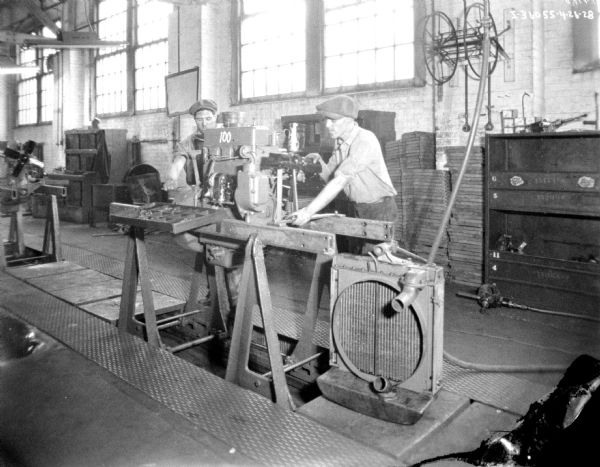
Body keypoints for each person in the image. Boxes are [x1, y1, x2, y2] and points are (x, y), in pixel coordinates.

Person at [291, 95, 397, 228]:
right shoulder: (340, 142)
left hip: (379, 210)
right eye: (326, 120)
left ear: (349, 120)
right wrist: (318, 163)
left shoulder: (364, 140)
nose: (328, 125)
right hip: (357, 208)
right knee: (355, 249)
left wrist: (308, 211)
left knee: (374, 249)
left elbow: (341, 180)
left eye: (333, 120)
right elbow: (330, 177)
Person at [163, 98, 218, 193]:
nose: (204, 124)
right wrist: (171, 179)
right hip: (197, 192)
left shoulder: (227, 138)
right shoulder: (186, 144)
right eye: (199, 119)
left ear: (215, 117)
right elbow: (177, 164)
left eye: (208, 119)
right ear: (195, 120)